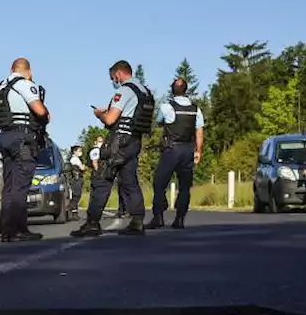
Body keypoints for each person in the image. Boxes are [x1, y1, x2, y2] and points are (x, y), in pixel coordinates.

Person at [71, 60, 154, 237]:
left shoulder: (124, 90)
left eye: (112, 78)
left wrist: (100, 114)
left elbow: (110, 119)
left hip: (118, 141)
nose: (113, 81)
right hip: (134, 141)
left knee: (102, 179)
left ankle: (92, 222)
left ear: (118, 74)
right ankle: (137, 220)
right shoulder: (145, 92)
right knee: (130, 181)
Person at [0, 57, 50, 242]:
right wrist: (46, 115)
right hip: (22, 138)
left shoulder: (0, 86)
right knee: (21, 187)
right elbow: (39, 111)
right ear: (28, 71)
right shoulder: (24, 84)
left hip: (5, 137)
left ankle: (8, 230)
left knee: (9, 187)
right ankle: (18, 231)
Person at [148, 77, 204, 229]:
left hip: (171, 149)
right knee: (185, 185)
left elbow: (159, 121)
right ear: (186, 90)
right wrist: (198, 151)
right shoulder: (195, 109)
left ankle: (158, 215)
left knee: (159, 182)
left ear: (172, 91)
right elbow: (199, 133)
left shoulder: (167, 107)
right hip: (188, 149)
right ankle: (180, 218)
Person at [66, 145, 86, 217]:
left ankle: (74, 214)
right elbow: (82, 168)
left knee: (75, 196)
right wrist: (83, 166)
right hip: (76, 179)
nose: (81, 152)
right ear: (75, 151)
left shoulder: (74, 159)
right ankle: (69, 207)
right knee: (76, 196)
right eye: (79, 151)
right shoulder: (75, 159)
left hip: (75, 179)